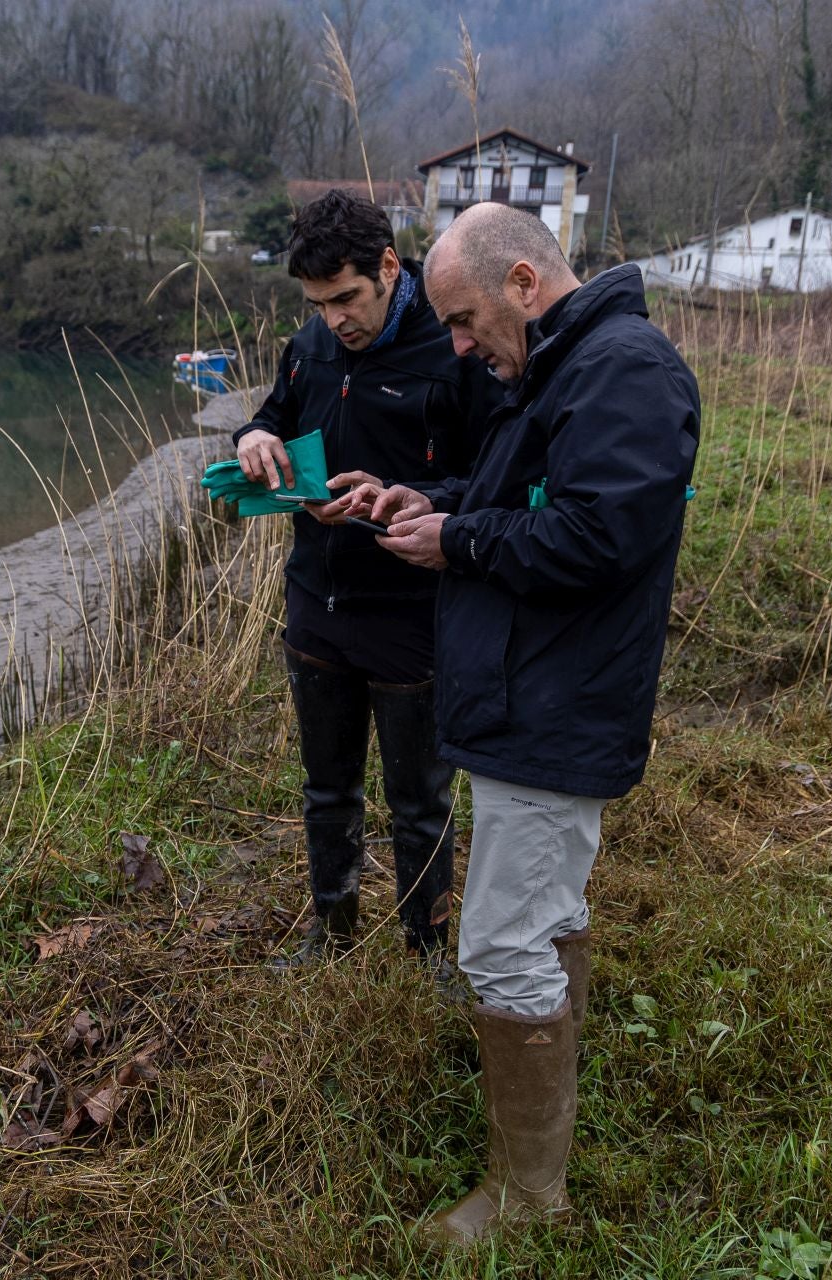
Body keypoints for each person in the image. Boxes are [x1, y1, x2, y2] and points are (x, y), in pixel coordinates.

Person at [349, 202, 700, 1242]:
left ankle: (529, 1198)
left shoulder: (624, 370)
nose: (456, 345)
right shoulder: (563, 366)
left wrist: (456, 540)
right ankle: (545, 1112)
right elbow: (527, 494)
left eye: (460, 321)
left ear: (523, 285)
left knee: (500, 942)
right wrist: (421, 498)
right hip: (532, 694)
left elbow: (596, 534)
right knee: (543, 913)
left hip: (555, 703)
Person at [232, 190, 501, 969]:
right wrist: (255, 437)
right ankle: (332, 933)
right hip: (317, 603)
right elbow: (273, 413)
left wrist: (402, 502)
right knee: (327, 791)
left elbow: (488, 476)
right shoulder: (310, 346)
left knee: (419, 804)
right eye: (318, 304)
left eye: (347, 298)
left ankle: (425, 953)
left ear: (390, 268)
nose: (334, 320)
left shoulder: (451, 349)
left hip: (411, 614)